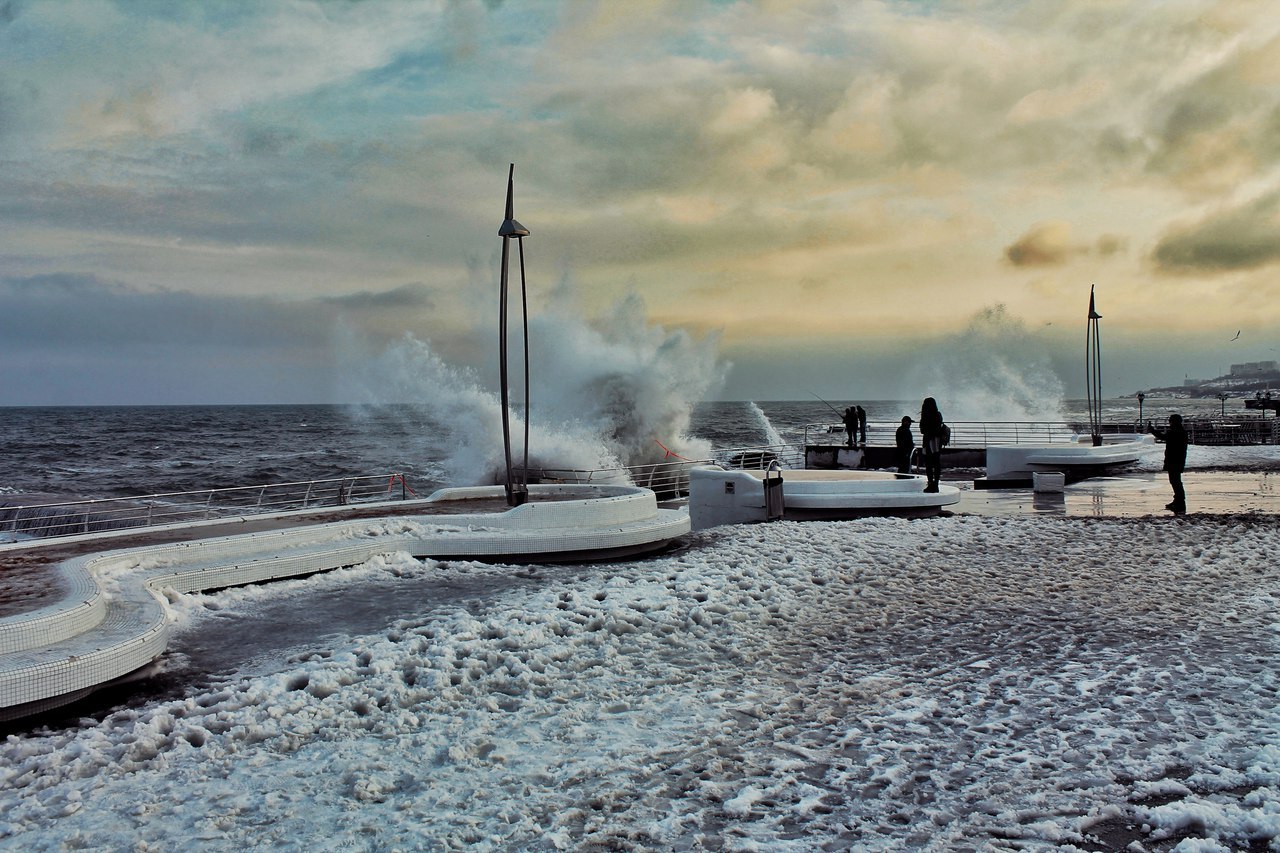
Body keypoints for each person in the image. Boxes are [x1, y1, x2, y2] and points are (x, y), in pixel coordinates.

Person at [918, 397, 945, 492]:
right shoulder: (938, 415)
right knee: (936, 463)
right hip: (937, 442)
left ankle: (930, 484)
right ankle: (936, 484)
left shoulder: (925, 415)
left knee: (928, 464)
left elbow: (922, 430)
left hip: (928, 441)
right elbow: (938, 427)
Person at [1163, 413, 1188, 513]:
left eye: (1171, 421)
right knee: (1176, 481)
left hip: (1174, 460)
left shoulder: (1175, 432)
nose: (1170, 423)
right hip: (1178, 460)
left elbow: (1164, 437)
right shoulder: (1182, 432)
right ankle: (1178, 501)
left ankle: (1180, 502)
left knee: (1175, 482)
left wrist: (1152, 431)